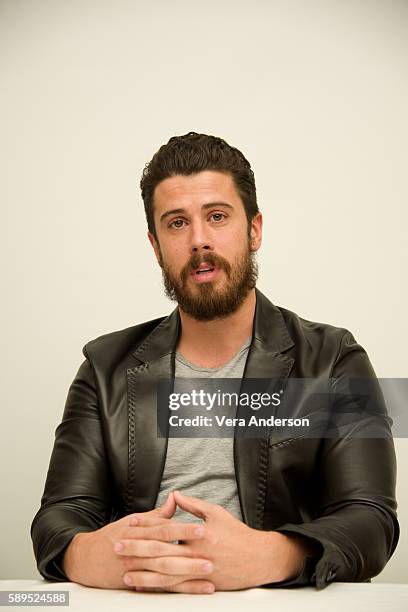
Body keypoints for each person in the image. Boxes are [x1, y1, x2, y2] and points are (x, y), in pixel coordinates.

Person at [31, 132, 399, 595]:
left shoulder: (334, 360)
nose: (199, 241)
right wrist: (94, 556)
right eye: (177, 223)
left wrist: (272, 554)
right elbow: (58, 518)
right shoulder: (104, 368)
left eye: (217, 217)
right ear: (155, 244)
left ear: (255, 229)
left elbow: (372, 521)